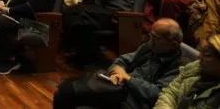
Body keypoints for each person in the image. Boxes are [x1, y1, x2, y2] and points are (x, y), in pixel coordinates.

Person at [53, 19, 184, 109]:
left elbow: (158, 94)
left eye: (156, 38)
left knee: (67, 93)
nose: (151, 41)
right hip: (119, 89)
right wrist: (116, 72)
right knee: (65, 94)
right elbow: (123, 60)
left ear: (172, 44)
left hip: (134, 101)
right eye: (151, 35)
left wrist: (128, 79)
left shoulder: (178, 66)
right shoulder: (150, 48)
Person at [154, 34, 220, 109]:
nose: (200, 57)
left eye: (207, 55)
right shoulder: (195, 67)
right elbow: (170, 92)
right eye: (201, 52)